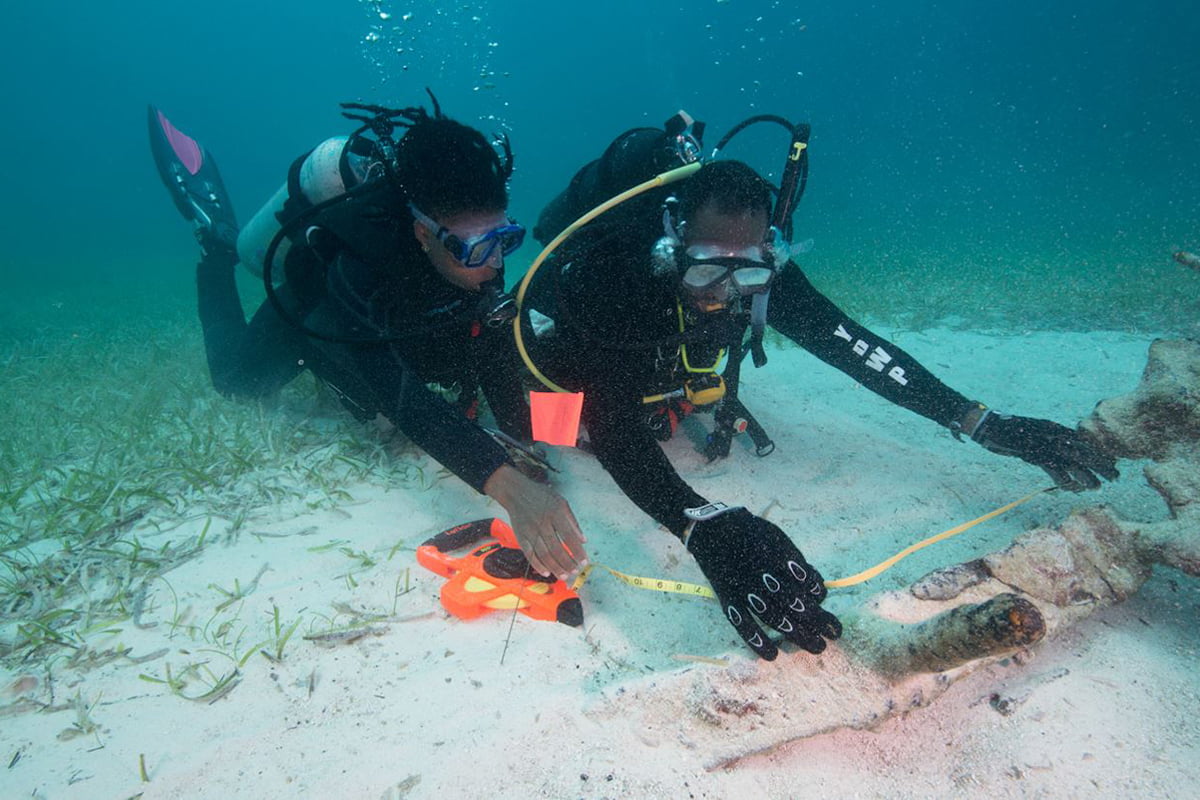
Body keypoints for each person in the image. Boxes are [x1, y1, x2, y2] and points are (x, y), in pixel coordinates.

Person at [517, 114, 1118, 660]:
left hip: (657, 363)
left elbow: (855, 348)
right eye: (705, 267)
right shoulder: (612, 277)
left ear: (769, 252)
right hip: (579, 356)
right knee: (556, 432)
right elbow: (615, 423)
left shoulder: (768, 280)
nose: (721, 291)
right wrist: (697, 522)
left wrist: (978, 420)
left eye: (747, 271)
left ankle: (673, 390)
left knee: (668, 397)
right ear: (673, 243)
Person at [149, 94, 587, 580]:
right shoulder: (362, 260)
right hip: (317, 313)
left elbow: (492, 343)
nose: (495, 262)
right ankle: (214, 246)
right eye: (475, 248)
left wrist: (523, 435)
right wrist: (507, 485)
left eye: (504, 239)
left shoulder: (477, 251)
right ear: (424, 234)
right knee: (238, 382)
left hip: (409, 320)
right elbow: (397, 393)